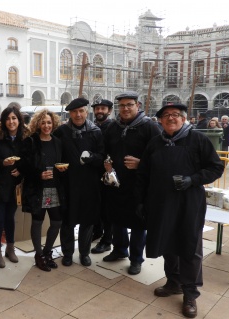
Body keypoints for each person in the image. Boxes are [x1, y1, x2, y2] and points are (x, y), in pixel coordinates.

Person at [136, 103, 223, 318]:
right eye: (166, 116)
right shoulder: (155, 143)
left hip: (189, 203)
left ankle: (190, 293)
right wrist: (140, 201)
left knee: (189, 245)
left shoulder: (198, 140)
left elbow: (216, 167)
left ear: (184, 119)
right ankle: (173, 282)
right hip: (161, 203)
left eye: (176, 115)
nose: (171, 118)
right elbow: (144, 174)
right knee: (168, 243)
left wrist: (192, 179)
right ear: (160, 121)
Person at [102, 91, 161, 275]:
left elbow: (159, 156)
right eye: (122, 105)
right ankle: (120, 250)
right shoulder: (113, 127)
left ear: (138, 105)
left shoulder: (150, 127)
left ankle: (136, 259)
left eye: (129, 104)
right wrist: (107, 163)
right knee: (117, 218)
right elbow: (105, 149)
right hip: (117, 183)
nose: (125, 108)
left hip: (139, 184)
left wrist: (141, 163)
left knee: (137, 223)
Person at [54, 98, 105, 267]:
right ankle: (67, 253)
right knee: (68, 220)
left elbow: (102, 157)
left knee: (87, 220)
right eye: (74, 112)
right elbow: (55, 155)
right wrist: (57, 167)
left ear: (86, 112)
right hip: (68, 184)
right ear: (70, 113)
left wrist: (92, 158)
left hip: (90, 184)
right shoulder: (61, 132)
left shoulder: (95, 132)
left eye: (81, 111)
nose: (78, 115)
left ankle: (84, 253)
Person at [19, 109, 67, 271]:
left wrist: (61, 170)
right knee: (37, 222)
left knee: (56, 222)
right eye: (43, 122)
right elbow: (22, 166)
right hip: (36, 189)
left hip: (54, 188)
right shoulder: (30, 141)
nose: (46, 125)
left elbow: (60, 162)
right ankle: (38, 255)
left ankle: (47, 252)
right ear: (38, 123)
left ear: (53, 123)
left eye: (49, 122)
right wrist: (38, 174)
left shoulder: (57, 141)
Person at [0, 106, 29, 268]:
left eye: (14, 118)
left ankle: (10, 248)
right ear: (3, 121)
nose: (11, 122)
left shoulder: (24, 139)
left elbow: (28, 161)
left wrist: (20, 170)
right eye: (8, 118)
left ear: (19, 121)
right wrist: (3, 163)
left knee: (10, 219)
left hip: (15, 186)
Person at [90, 98, 113, 254]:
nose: (99, 111)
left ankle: (107, 240)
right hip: (95, 171)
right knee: (97, 204)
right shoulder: (93, 127)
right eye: (97, 108)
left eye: (103, 108)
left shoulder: (113, 128)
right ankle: (97, 231)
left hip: (107, 172)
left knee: (107, 208)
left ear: (109, 111)